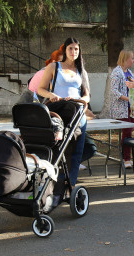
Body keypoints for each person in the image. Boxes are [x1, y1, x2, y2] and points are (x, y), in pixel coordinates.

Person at [38, 37, 90, 189]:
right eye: (70, 48)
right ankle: (52, 184)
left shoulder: (81, 70)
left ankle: (70, 185)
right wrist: (51, 95)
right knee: (57, 148)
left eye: (76, 49)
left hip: (77, 114)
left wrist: (78, 99)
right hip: (59, 112)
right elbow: (41, 88)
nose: (73, 52)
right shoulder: (54, 67)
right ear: (65, 50)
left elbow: (87, 95)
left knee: (76, 152)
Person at [107, 50, 134, 168]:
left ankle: (127, 157)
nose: (133, 61)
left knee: (130, 131)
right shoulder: (117, 72)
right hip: (121, 107)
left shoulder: (129, 72)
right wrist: (127, 98)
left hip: (131, 107)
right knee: (127, 132)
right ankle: (126, 158)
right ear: (125, 59)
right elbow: (114, 91)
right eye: (132, 58)